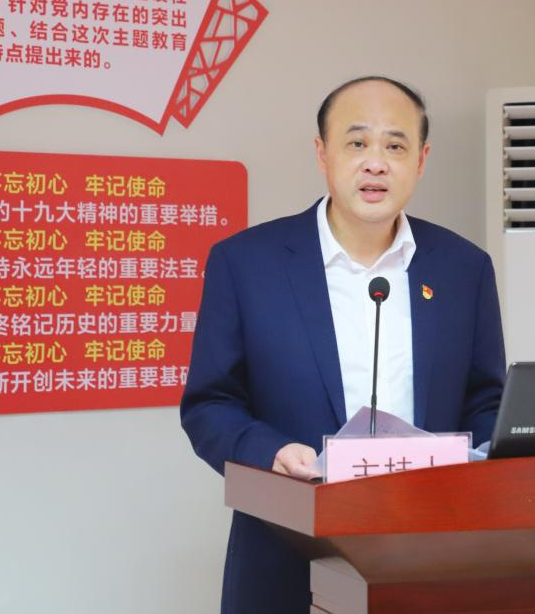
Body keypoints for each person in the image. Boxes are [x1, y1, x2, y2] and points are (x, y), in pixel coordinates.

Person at [180, 76, 506, 613]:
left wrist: (490, 457)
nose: (376, 163)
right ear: (322, 154)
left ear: (421, 161)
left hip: (431, 557)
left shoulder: (463, 268)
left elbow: (486, 399)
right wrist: (271, 452)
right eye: (357, 143)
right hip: (286, 554)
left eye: (395, 146)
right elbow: (210, 404)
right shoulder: (246, 263)